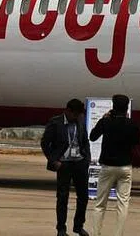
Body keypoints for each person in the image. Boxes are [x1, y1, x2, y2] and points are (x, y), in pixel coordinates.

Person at [88, 95, 140, 236]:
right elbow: (137, 142)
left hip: (107, 166)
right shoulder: (132, 124)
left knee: (100, 204)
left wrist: (103, 118)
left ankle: (95, 233)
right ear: (126, 108)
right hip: (125, 167)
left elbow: (92, 136)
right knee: (122, 203)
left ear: (113, 106)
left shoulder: (106, 122)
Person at [41, 98, 91, 236]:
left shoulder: (80, 121)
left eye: (79, 115)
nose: (77, 117)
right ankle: (61, 229)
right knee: (63, 197)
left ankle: (78, 226)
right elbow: (45, 143)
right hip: (64, 163)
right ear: (68, 111)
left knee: (83, 196)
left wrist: (87, 159)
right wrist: (53, 160)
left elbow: (84, 141)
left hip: (79, 162)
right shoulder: (55, 122)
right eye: (75, 114)